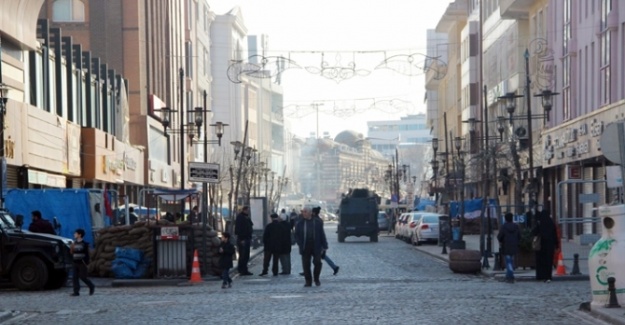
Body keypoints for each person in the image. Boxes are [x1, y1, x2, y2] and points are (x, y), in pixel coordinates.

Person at [294, 206, 328, 287]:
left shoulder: (317, 222)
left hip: (316, 245)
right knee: (306, 264)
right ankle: (308, 281)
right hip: (305, 246)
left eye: (305, 212)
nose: (304, 213)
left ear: (310, 213)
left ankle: (316, 278)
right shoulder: (300, 223)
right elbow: (296, 235)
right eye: (303, 212)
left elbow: (321, 234)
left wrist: (324, 245)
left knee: (317, 262)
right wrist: (299, 243)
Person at [532, 210, 559, 283]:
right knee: (549, 261)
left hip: (541, 245)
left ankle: (541, 275)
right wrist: (557, 245)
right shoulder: (551, 223)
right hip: (550, 245)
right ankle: (548, 276)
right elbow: (555, 235)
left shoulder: (540, 223)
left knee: (541, 261)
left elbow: (534, 232)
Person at [312, 207, 339, 275]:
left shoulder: (315, 221)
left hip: (316, 243)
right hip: (319, 242)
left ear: (314, 212)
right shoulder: (319, 220)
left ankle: (334, 267)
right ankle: (334, 267)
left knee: (313, 257)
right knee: (323, 256)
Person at [70, 228, 95, 296]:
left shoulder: (85, 244)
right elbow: (72, 252)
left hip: (82, 262)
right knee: (74, 277)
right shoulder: (74, 243)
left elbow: (88, 254)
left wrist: (86, 262)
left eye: (76, 233)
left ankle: (91, 286)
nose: (74, 234)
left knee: (83, 277)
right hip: (75, 262)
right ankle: (76, 291)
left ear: (79, 235)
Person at [497, 212, 521, 283]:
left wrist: (501, 241)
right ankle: (508, 276)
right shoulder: (516, 226)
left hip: (506, 246)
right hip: (514, 246)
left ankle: (510, 276)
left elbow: (499, 236)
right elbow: (519, 236)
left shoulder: (504, 227)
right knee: (511, 260)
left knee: (508, 262)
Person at [235, 206, 254, 276]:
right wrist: (241, 239)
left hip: (247, 238)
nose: (248, 211)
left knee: (246, 255)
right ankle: (242, 270)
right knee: (243, 255)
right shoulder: (240, 217)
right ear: (244, 210)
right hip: (243, 239)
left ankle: (244, 269)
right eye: (247, 210)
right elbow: (238, 229)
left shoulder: (246, 217)